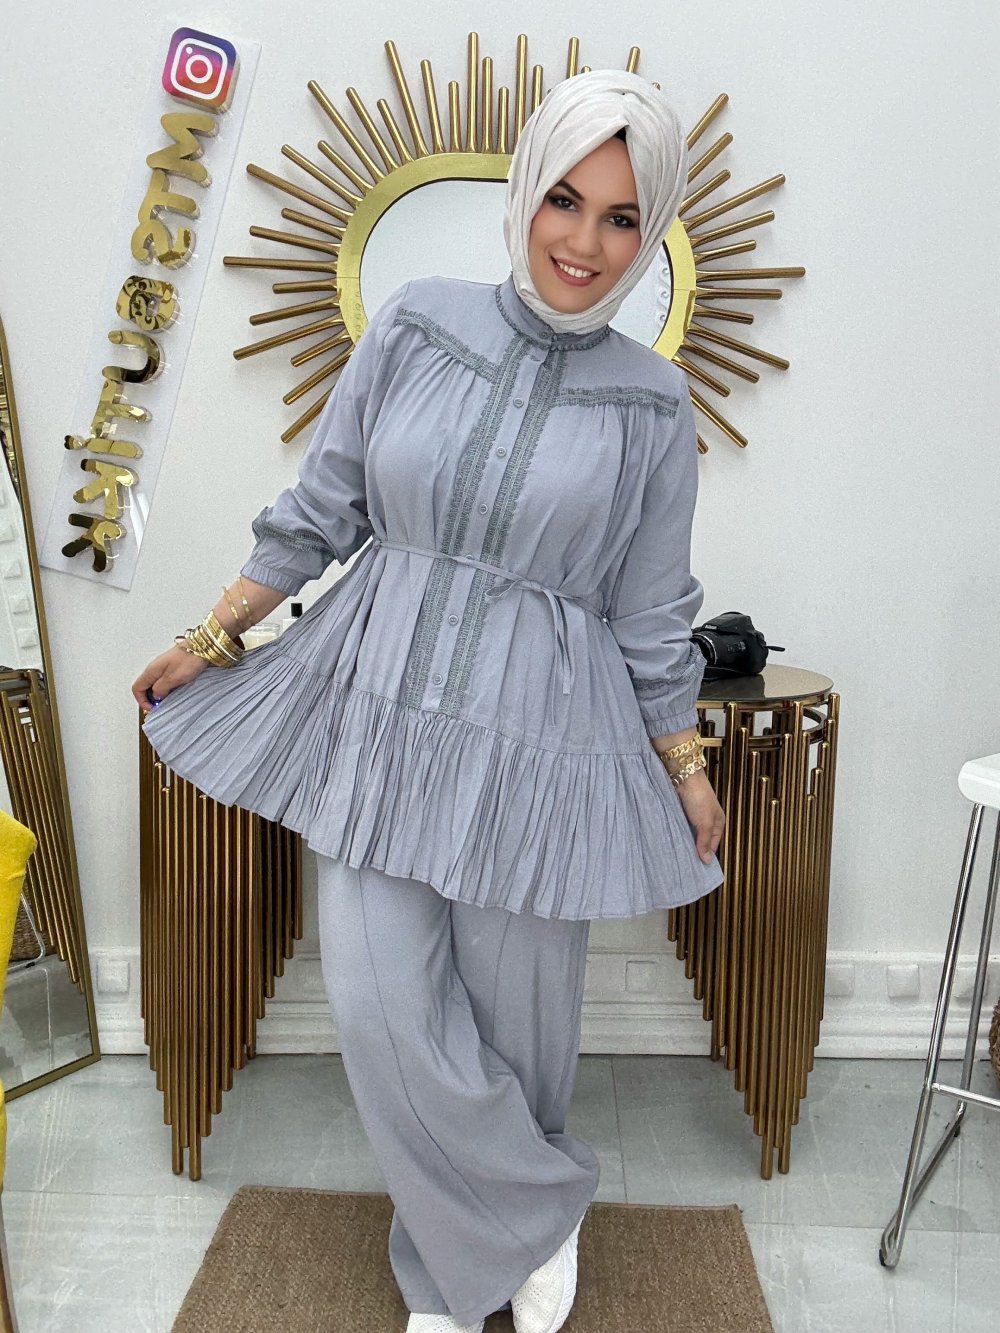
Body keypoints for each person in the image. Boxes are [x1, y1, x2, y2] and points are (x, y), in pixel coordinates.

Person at [134, 68, 726, 1333]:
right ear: (525, 191)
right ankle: (536, 1209)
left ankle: (451, 1278)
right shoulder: (416, 325)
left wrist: (683, 761)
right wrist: (213, 633)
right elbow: (324, 509)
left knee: (518, 1017)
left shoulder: (652, 402)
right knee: (379, 1001)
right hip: (380, 704)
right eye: (565, 199)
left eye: (622, 217)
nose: (584, 241)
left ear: (652, 229)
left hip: (544, 733)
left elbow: (648, 604)